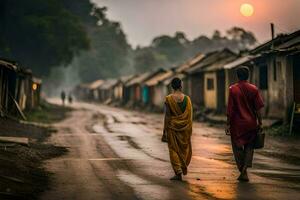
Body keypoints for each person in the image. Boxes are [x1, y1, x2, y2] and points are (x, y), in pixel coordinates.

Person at [226, 66, 264, 182]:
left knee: (237, 147)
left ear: (237, 76)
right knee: (249, 147)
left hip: (237, 125)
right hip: (251, 124)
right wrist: (260, 122)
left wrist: (228, 124)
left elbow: (230, 109)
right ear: (248, 75)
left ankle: (243, 170)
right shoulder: (254, 89)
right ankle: (244, 170)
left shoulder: (233, 89)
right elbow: (258, 108)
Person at [162, 77, 193, 181]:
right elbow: (189, 117)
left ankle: (178, 172)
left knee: (173, 149)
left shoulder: (169, 99)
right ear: (181, 86)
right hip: (185, 129)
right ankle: (182, 166)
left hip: (172, 128)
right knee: (183, 149)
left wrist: (164, 131)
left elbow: (167, 116)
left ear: (172, 86)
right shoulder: (187, 99)